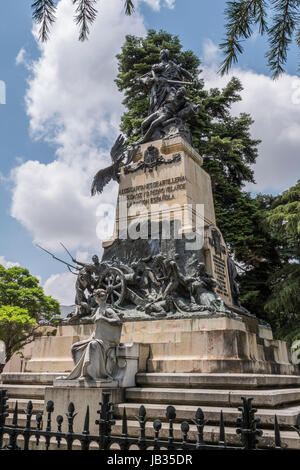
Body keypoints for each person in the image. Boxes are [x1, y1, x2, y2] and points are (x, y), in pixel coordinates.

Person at [64, 289, 123, 381]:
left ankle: (88, 374)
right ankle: (78, 373)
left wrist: (104, 319)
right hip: (96, 337)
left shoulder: (108, 309)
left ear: (96, 298)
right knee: (75, 347)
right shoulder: (98, 310)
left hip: (106, 341)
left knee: (92, 345)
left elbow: (118, 322)